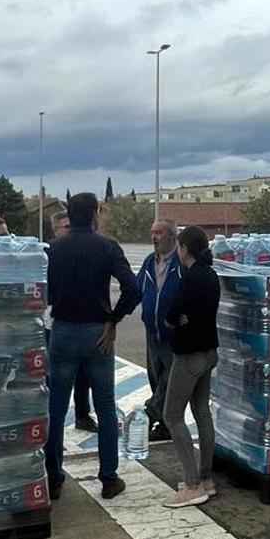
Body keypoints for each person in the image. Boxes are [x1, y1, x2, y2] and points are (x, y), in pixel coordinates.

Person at [45, 192, 141, 500]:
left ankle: (54, 477)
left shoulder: (54, 250)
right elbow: (133, 289)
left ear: (69, 216)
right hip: (97, 332)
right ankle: (109, 478)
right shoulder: (107, 247)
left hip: (62, 331)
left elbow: (44, 292)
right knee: (105, 404)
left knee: (56, 408)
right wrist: (113, 319)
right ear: (96, 213)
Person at [160, 225, 220, 508]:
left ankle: (192, 484)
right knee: (201, 411)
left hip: (189, 356)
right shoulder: (211, 276)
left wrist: (176, 318)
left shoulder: (190, 278)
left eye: (180, 248)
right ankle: (206, 477)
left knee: (172, 415)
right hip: (209, 352)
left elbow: (172, 314)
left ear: (185, 249)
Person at [47, 210, 96, 433]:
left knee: (83, 374)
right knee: (55, 377)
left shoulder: (79, 249)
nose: (70, 231)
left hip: (80, 322)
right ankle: (50, 423)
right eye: (66, 228)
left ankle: (82, 414)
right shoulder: (48, 253)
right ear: (56, 230)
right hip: (52, 323)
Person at [136, 218, 182, 442]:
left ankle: (149, 413)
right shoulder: (148, 262)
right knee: (155, 376)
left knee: (169, 380)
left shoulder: (181, 263)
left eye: (159, 232)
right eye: (152, 232)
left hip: (173, 334)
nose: (154, 237)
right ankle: (165, 426)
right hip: (152, 332)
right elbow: (137, 290)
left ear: (172, 237)